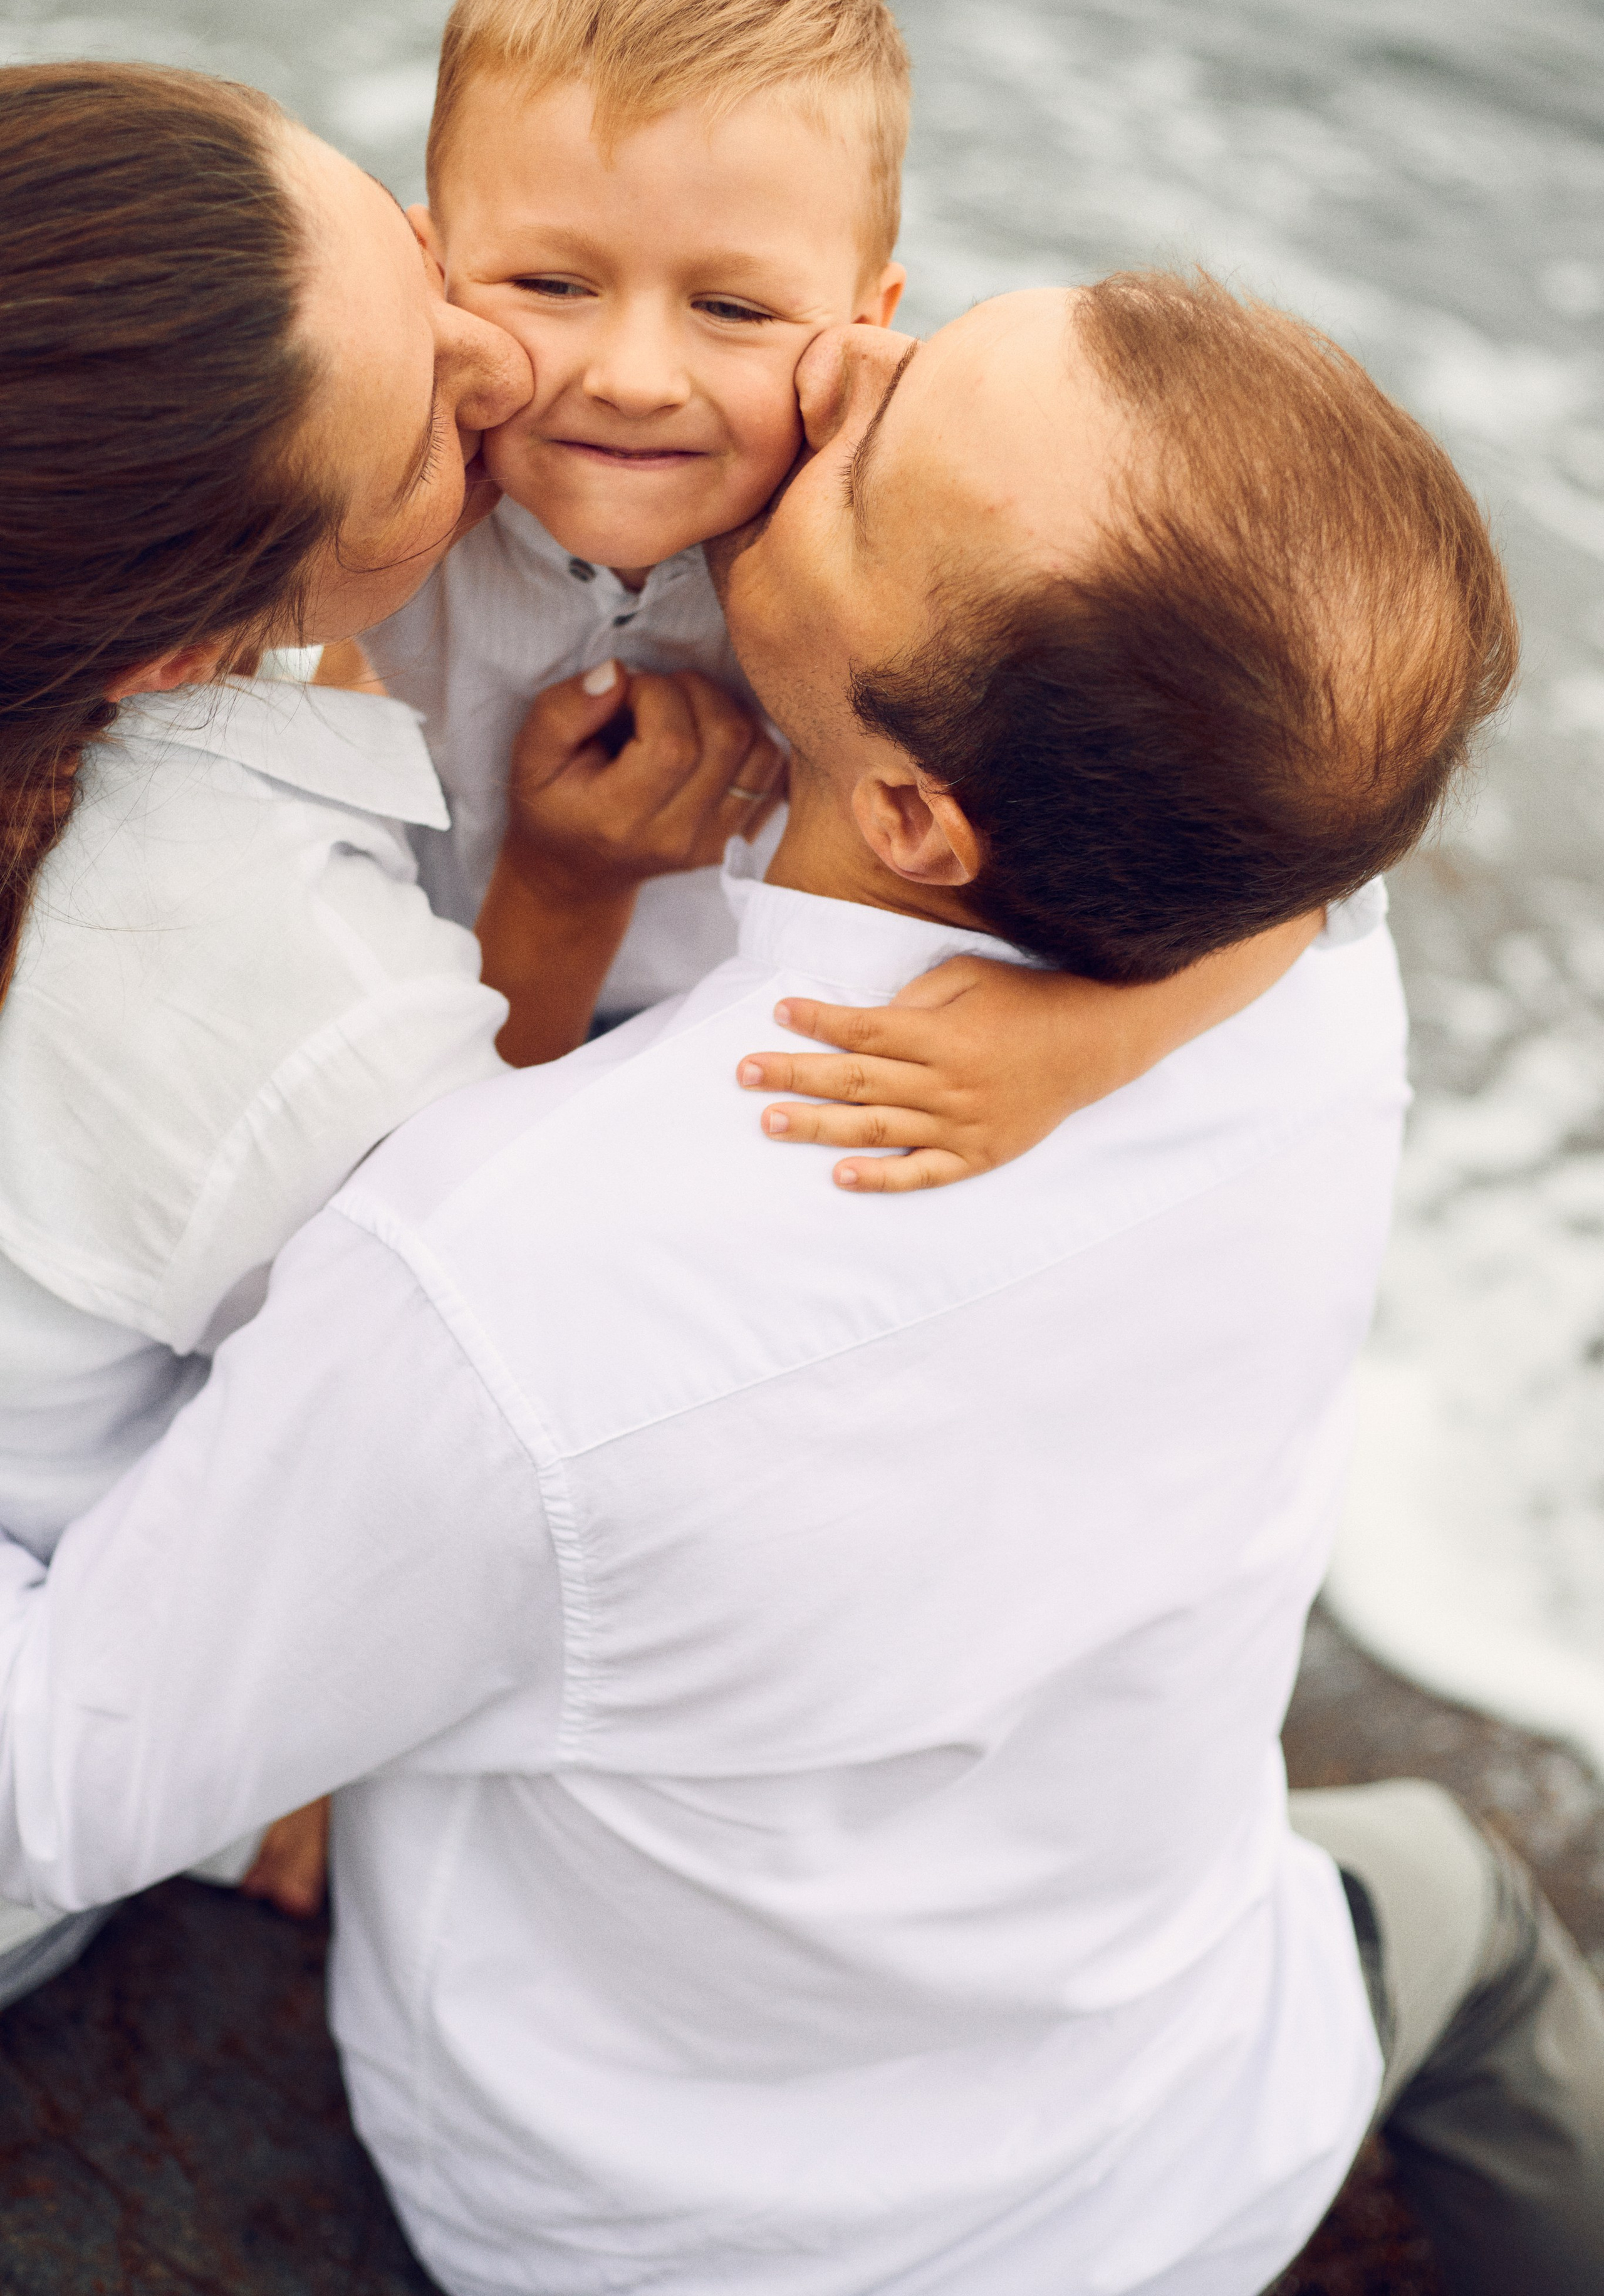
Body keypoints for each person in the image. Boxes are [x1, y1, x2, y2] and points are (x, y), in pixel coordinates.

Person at [0, 271, 1581, 2296]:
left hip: (673, 2224)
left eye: (874, 448)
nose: (833, 363)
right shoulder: (1297, 985)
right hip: (1187, 2092)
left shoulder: (512, 1291)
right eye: (932, 327)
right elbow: (1342, 860)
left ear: (919, 818)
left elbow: (55, 1779)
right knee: (1472, 1905)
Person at [0, 57, 783, 1987]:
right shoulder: (235, 963)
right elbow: (447, 1377)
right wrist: (567, 895)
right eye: (437, 420)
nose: (505, 368)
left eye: (418, 252)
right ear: (182, 654)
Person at [356, 0, 1315, 1156]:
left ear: (867, 319)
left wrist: (1082, 1047)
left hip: (756, 1057)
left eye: (736, 310)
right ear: (428, 270)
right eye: (549, 284)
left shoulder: (934, 542)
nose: (636, 375)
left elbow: (1299, 873)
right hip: (431, 1006)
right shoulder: (349, 502)